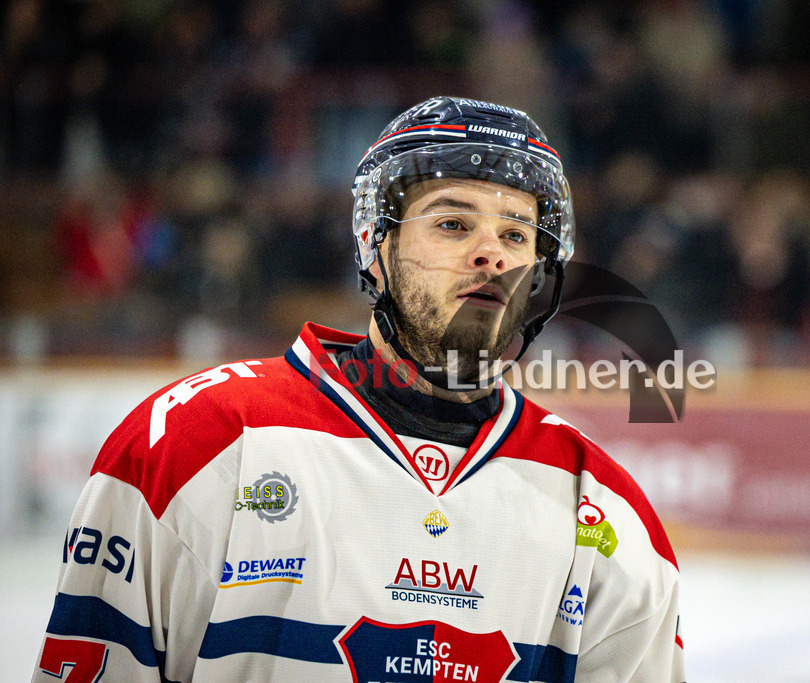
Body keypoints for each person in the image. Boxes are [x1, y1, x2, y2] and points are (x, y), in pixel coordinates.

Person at [34, 96, 686, 682]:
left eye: (516, 234)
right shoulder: (192, 443)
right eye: (454, 225)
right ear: (376, 246)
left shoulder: (604, 510)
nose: (494, 253)